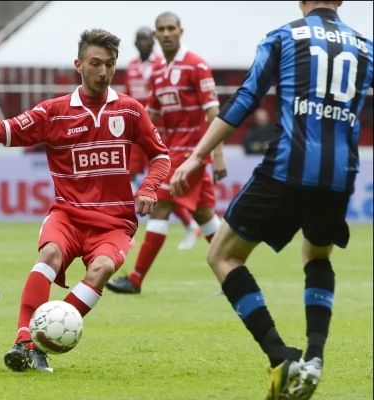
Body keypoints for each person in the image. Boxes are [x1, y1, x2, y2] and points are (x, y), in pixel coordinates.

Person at [170, 1, 373, 398]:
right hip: (339, 173)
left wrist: (197, 157)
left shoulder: (284, 36)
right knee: (317, 255)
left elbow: (247, 97)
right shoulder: (365, 46)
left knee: (222, 255)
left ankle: (281, 357)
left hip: (286, 168)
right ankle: (314, 358)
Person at [0, 28, 170, 372]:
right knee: (49, 255)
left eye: (110, 64)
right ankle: (23, 341)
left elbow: (160, 156)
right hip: (67, 215)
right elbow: (7, 132)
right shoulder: (54, 112)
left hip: (114, 222)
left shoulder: (130, 110)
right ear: (78, 65)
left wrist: (149, 187)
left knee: (101, 269)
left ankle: (42, 342)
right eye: (95, 63)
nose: (103, 71)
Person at [106, 12, 227, 295]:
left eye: (172, 28)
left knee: (159, 207)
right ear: (156, 35)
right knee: (205, 215)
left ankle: (135, 279)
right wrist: (123, 136)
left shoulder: (196, 65)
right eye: (162, 29)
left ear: (181, 32)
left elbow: (214, 114)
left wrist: (218, 155)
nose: (167, 33)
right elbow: (151, 115)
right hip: (173, 152)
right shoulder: (159, 72)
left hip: (192, 155)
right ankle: (234, 276)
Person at [124, 26, 200, 251]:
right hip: (134, 131)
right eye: (139, 39)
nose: (143, 43)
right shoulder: (131, 66)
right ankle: (125, 231)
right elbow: (126, 96)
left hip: (156, 131)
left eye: (146, 39)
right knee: (127, 178)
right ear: (135, 43)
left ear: (153, 41)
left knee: (160, 185)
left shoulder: (160, 64)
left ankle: (190, 224)